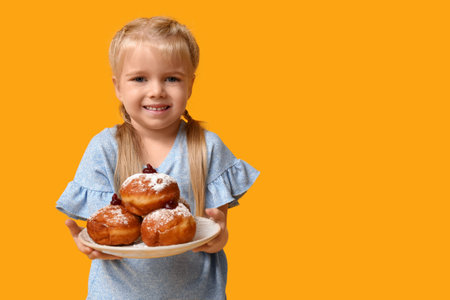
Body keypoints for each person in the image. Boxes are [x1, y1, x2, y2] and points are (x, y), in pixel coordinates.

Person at [56, 16, 259, 299]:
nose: (156, 91)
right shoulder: (104, 148)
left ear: (190, 85)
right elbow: (101, 230)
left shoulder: (206, 147)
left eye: (172, 78)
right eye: (140, 78)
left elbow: (217, 230)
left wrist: (219, 238)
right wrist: (87, 245)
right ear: (118, 86)